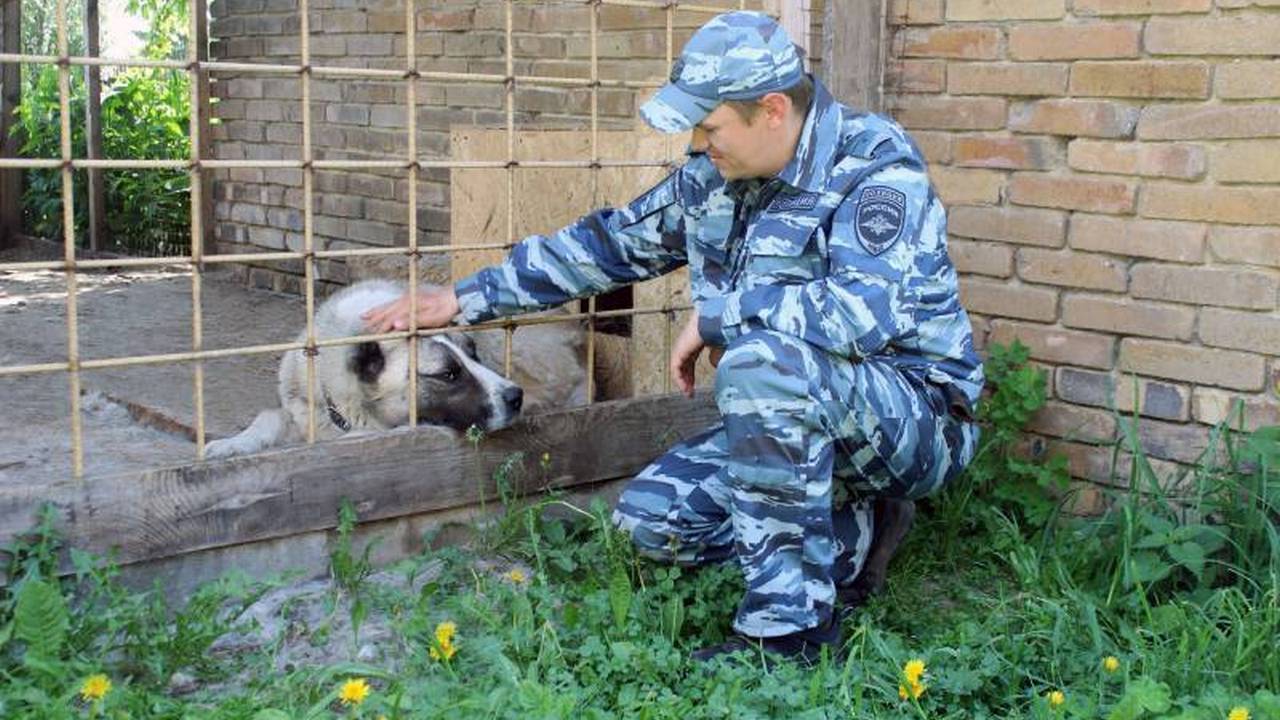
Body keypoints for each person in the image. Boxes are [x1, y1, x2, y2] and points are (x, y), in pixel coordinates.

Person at [364, 10, 983, 664]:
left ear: (772, 110)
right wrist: (462, 298)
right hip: (799, 422)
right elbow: (608, 246)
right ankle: (861, 526)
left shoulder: (875, 168)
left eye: (709, 126)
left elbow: (863, 313)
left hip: (915, 419)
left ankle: (789, 636)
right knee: (652, 523)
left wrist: (721, 316)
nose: (698, 142)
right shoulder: (714, 177)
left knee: (764, 361)